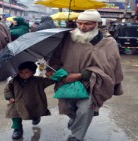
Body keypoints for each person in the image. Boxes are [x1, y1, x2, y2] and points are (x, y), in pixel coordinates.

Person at [46, 9, 124, 141]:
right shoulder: (68, 38)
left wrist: (81, 75)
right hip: (66, 81)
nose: (82, 27)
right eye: (79, 23)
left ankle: (76, 136)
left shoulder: (107, 42)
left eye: (88, 24)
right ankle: (74, 120)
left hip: (92, 83)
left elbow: (108, 67)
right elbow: (56, 58)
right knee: (68, 108)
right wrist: (53, 71)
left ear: (98, 24)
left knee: (85, 109)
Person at [4, 61, 55, 140]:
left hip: (34, 101)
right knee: (15, 114)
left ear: (33, 72)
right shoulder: (14, 81)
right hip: (17, 102)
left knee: (34, 112)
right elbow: (7, 90)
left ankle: (36, 117)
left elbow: (51, 81)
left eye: (26, 72)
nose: (23, 74)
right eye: (21, 72)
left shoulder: (39, 81)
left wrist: (52, 75)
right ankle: (17, 129)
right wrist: (10, 97)